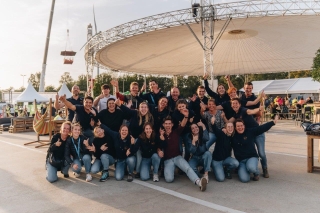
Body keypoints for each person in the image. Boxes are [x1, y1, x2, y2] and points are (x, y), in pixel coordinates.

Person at [161, 115, 207, 191]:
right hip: (168, 160)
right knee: (169, 179)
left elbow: (182, 124)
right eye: (166, 124)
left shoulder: (176, 132)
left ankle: (199, 182)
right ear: (163, 125)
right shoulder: (161, 135)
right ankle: (173, 168)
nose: (168, 125)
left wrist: (186, 116)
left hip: (177, 157)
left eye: (169, 124)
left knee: (187, 168)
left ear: (172, 125)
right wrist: (160, 147)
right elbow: (158, 147)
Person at [230, 98, 270, 178]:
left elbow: (251, 111)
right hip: (249, 134)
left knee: (261, 153)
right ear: (231, 105)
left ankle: (264, 168)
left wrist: (258, 109)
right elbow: (229, 122)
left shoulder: (244, 110)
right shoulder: (236, 114)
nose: (235, 105)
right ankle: (247, 166)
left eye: (236, 103)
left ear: (240, 104)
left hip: (257, 133)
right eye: (233, 104)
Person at [233, 115, 278, 182]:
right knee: (244, 179)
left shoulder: (249, 132)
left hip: (251, 157)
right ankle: (246, 169)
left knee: (251, 168)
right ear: (235, 128)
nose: (240, 127)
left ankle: (256, 172)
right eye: (238, 126)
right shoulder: (233, 135)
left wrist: (272, 122)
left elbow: (261, 128)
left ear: (244, 126)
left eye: (241, 125)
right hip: (241, 161)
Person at [115, 100, 154, 178]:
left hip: (142, 140)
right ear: (139, 108)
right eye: (142, 107)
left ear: (148, 109)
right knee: (128, 152)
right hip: (131, 137)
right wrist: (120, 105)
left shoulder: (150, 118)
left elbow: (150, 130)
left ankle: (138, 171)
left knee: (139, 154)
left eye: (145, 107)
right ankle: (125, 167)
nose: (143, 109)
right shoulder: (135, 113)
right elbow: (127, 110)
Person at [210, 116, 239, 181]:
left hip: (226, 159)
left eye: (232, 127)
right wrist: (213, 122)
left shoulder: (233, 136)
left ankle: (227, 169)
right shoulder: (222, 134)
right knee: (221, 178)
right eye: (228, 127)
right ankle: (215, 167)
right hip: (217, 160)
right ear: (225, 128)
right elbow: (216, 130)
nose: (230, 128)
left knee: (236, 163)